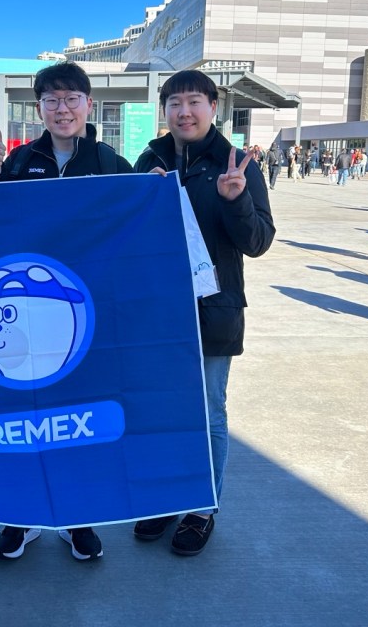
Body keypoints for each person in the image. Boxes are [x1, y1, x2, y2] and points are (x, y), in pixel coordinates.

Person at [0, 61, 132, 561]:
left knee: (78, 418)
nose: (61, 109)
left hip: (83, 315)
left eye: (71, 99)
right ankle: (21, 517)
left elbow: (133, 230)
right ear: (39, 108)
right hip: (24, 317)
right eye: (51, 100)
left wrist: (152, 190)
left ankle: (77, 517)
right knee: (26, 415)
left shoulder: (111, 162)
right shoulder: (20, 160)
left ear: (89, 105)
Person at [131, 70, 275, 556]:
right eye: (174, 103)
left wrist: (236, 200)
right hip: (156, 313)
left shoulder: (235, 163)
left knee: (209, 411)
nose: (184, 112)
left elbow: (257, 242)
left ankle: (201, 506)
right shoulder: (149, 160)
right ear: (164, 110)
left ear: (214, 107)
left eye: (194, 101)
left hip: (214, 310)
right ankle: (167, 497)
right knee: (160, 409)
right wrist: (139, 202)